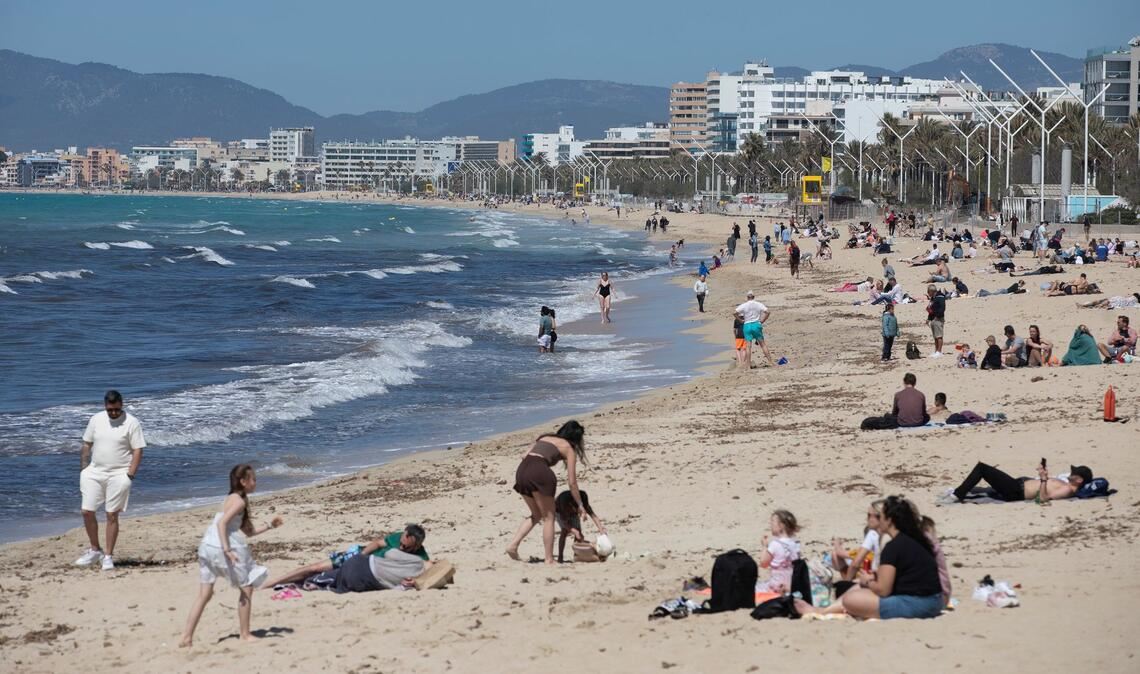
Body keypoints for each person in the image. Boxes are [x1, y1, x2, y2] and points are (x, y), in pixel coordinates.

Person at [179, 464, 282, 647]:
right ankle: (245, 634)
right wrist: (227, 550)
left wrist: (270, 525)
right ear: (243, 481)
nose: (256, 482)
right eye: (253, 479)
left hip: (207, 546)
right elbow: (223, 524)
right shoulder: (240, 502)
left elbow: (248, 531)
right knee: (247, 587)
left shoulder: (231, 498)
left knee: (205, 593)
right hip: (222, 547)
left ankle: (186, 637)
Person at [796, 496, 944, 620]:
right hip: (934, 601)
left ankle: (823, 612)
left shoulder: (893, 546)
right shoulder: (912, 540)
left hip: (920, 605)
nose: (879, 520)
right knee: (858, 587)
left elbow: (883, 590)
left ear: (890, 520)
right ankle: (823, 611)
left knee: (851, 599)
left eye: (882, 516)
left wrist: (868, 582)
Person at [75, 390, 146, 571]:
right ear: (105, 406)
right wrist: (84, 468)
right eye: (110, 410)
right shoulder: (96, 419)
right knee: (87, 511)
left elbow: (138, 449)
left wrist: (130, 475)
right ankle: (95, 549)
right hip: (94, 472)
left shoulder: (132, 422)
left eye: (116, 409)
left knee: (111, 514)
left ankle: (108, 555)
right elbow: (87, 443)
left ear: (121, 404)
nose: (113, 413)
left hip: (119, 474)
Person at [507, 421, 589, 565]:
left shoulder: (544, 437)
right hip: (540, 472)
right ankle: (549, 559)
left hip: (522, 471)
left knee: (536, 514)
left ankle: (513, 545)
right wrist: (580, 504)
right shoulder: (568, 448)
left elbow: (524, 455)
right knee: (549, 517)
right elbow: (572, 482)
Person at [261, 524, 428, 593]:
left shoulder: (420, 555)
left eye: (406, 547)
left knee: (325, 576)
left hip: (367, 571)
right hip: (361, 556)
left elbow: (426, 571)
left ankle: (300, 584)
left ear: (417, 546)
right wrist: (360, 556)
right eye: (402, 543)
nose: (401, 547)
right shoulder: (399, 537)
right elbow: (377, 543)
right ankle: (269, 584)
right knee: (315, 568)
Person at [949, 461, 1092, 503]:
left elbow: (1042, 499)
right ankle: (961, 491)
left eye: (1074, 473)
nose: (1071, 473)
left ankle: (958, 495)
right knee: (985, 479)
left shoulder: (1067, 490)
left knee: (982, 469)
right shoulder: (1067, 484)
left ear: (1079, 480)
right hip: (1018, 485)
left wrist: (1043, 478)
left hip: (1016, 491)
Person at [830, 500, 884, 581]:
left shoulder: (872, 534)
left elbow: (855, 563)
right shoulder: (894, 535)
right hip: (884, 577)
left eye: (869, 515)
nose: (867, 519)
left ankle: (847, 581)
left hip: (872, 578)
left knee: (835, 554)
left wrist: (836, 543)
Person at [555, 489, 606, 563]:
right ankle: (560, 557)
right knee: (564, 531)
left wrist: (601, 530)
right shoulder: (564, 502)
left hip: (572, 510)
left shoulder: (583, 502)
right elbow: (564, 522)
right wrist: (574, 531)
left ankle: (577, 555)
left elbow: (593, 516)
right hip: (559, 511)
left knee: (579, 532)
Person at [757, 510, 801, 593]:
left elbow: (763, 563)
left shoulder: (775, 544)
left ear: (781, 525)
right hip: (792, 584)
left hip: (777, 585)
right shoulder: (796, 544)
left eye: (772, 521)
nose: (770, 524)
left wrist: (765, 546)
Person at [735, 291, 774, 368]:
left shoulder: (744, 305)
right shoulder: (758, 304)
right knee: (762, 344)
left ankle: (748, 365)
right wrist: (763, 320)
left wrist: (740, 320)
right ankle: (770, 362)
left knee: (748, 346)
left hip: (747, 325)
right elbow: (768, 312)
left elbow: (734, 312)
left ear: (747, 297)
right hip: (756, 324)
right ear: (754, 297)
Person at [926, 285, 946, 358]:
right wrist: (928, 318)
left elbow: (942, 308)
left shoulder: (940, 297)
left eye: (928, 292)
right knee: (935, 336)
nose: (928, 293)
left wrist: (937, 317)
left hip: (938, 319)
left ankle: (939, 351)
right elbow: (931, 308)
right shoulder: (933, 298)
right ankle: (936, 351)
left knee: (939, 336)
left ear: (931, 291)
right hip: (933, 319)